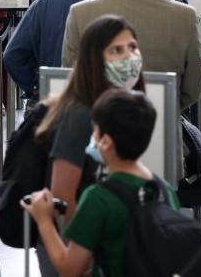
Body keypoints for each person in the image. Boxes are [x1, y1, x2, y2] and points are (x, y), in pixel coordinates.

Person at [32, 16, 145, 275]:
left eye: (133, 47)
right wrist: (82, 256)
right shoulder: (81, 114)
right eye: (116, 50)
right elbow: (63, 197)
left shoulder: (122, 104)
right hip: (74, 248)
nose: (129, 57)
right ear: (95, 60)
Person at [23, 89, 172, 277]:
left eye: (95, 131)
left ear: (106, 142)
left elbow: (70, 268)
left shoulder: (97, 198)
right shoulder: (164, 189)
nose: (93, 138)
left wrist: (44, 221)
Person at [62, 0, 201, 111]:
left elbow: (69, 76)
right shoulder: (184, 16)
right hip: (162, 125)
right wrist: (165, 108)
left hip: (99, 126)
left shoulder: (79, 13)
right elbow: (194, 85)